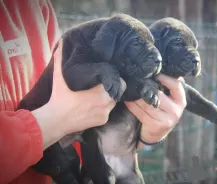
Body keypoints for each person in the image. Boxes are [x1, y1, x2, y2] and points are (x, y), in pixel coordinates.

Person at [0, 0, 187, 184]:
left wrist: (136, 130)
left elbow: (80, 105)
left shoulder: (32, 7)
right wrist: (52, 124)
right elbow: (67, 104)